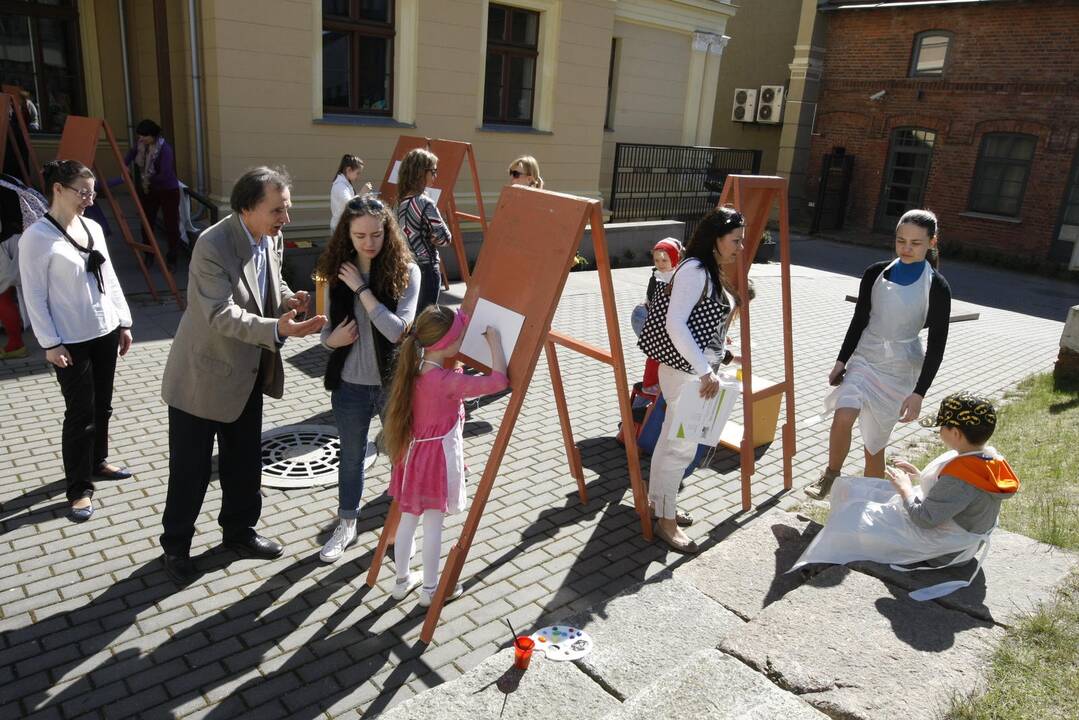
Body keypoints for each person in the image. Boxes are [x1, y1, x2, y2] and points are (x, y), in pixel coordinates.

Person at [159, 166, 326, 585]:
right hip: (202, 378)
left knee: (243, 464)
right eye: (277, 210)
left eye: (285, 209)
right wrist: (277, 329)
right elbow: (219, 312)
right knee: (191, 472)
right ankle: (176, 548)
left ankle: (239, 533)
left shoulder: (270, 236)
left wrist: (289, 299)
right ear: (246, 208)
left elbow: (271, 280)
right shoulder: (212, 244)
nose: (285, 219)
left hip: (247, 373)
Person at [791, 392, 1018, 600]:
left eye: (942, 427)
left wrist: (905, 488)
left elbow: (925, 519)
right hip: (959, 536)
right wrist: (920, 476)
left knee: (853, 518)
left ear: (956, 433)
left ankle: (826, 557)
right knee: (865, 491)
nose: (939, 431)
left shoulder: (962, 478)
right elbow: (958, 498)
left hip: (946, 550)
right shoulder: (986, 458)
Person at [806, 209, 952, 500]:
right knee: (843, 414)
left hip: (900, 368)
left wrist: (919, 393)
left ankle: (870, 503)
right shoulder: (875, 273)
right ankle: (831, 475)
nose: (907, 248)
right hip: (865, 357)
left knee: (874, 445)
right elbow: (859, 319)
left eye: (916, 243)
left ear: (931, 243)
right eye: (901, 241)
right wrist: (841, 361)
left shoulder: (937, 287)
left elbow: (938, 344)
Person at [18, 160, 134, 521]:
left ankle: (98, 462)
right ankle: (78, 489)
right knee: (80, 413)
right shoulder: (37, 237)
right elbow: (33, 295)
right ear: (58, 189)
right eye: (82, 192)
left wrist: (124, 322)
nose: (89, 198)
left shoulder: (93, 228)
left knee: (103, 407)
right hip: (70, 340)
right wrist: (50, 344)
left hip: (105, 330)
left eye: (92, 191)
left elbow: (110, 278)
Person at [315, 195, 420, 563]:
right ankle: (346, 525)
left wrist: (362, 289)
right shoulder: (334, 271)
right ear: (347, 232)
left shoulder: (407, 270)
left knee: (401, 458)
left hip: (393, 383)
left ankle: (398, 531)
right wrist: (331, 340)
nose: (369, 243)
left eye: (376, 234)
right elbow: (326, 332)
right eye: (360, 236)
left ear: (387, 231)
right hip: (350, 385)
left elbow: (396, 332)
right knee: (351, 457)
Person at [383, 306, 509, 604]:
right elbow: (498, 382)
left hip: (411, 456)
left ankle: (401, 582)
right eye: (460, 337)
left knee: (408, 522)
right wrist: (494, 345)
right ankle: (430, 590)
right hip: (435, 460)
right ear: (447, 344)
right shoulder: (446, 382)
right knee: (433, 526)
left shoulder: (414, 371)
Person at [642, 207, 744, 553]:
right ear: (716, 238)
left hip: (690, 372)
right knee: (680, 448)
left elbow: (701, 327)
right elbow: (676, 324)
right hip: (688, 375)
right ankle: (665, 522)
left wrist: (718, 360)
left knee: (672, 443)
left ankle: (658, 505)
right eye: (736, 239)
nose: (740, 246)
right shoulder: (696, 269)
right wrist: (705, 370)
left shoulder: (703, 269)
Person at [395, 149, 451, 313]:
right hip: (426, 267)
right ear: (420, 172)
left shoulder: (399, 202)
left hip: (405, 266)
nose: (436, 176)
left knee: (409, 316)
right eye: (433, 171)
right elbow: (445, 238)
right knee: (426, 321)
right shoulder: (424, 202)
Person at [0, 173, 48, 360]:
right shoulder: (10, 180)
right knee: (37, 291)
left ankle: (15, 345)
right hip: (29, 238)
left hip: (5, 244)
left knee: (2, 296)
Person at [124, 119, 182, 269]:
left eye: (144, 136)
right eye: (140, 136)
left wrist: (147, 178)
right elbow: (130, 155)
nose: (141, 139)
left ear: (153, 135)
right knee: (146, 222)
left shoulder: (165, 149)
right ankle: (148, 254)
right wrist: (125, 166)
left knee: (171, 224)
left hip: (167, 190)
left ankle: (172, 257)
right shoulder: (141, 145)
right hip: (149, 189)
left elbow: (165, 173)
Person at [638, 238, 683, 394]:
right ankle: (649, 385)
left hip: (662, 319)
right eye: (657, 260)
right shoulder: (657, 277)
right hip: (648, 316)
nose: (660, 263)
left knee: (662, 353)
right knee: (656, 352)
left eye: (665, 259)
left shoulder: (680, 275)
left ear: (675, 258)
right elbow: (651, 300)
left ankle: (658, 382)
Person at [329, 154, 372, 231]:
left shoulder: (345, 184)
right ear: (348, 170)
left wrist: (364, 196)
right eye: (357, 173)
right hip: (340, 228)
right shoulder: (340, 185)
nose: (358, 176)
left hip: (344, 225)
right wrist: (362, 193)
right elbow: (350, 204)